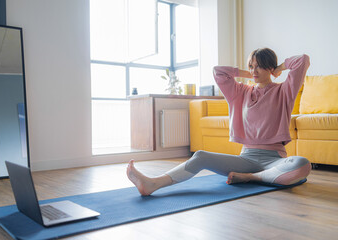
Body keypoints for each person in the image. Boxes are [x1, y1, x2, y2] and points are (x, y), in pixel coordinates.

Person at [127, 48, 311, 196]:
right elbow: (219, 72)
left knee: (302, 163)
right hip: (246, 158)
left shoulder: (285, 91)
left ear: (270, 68)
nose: (254, 70)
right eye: (251, 66)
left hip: (274, 161)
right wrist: (247, 73)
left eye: (259, 66)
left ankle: (250, 177)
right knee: (200, 156)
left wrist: (279, 67)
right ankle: (152, 184)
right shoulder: (241, 92)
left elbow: (302, 60)